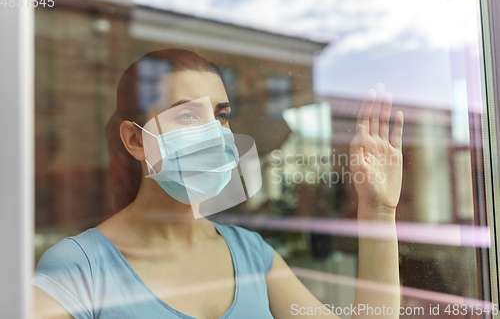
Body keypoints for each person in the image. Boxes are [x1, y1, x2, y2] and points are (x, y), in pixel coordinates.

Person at [32, 49, 404, 318]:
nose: (215, 134)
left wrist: (378, 210)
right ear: (134, 140)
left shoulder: (252, 255)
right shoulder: (80, 267)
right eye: (189, 114)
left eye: (221, 115)